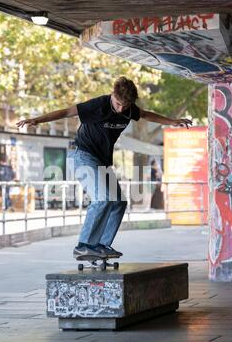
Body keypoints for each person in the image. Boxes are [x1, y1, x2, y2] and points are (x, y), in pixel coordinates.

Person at [16, 77, 192, 258]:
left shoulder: (129, 109)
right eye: (117, 104)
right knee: (103, 199)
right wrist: (37, 120)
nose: (120, 109)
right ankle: (84, 244)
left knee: (118, 202)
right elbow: (68, 111)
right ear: (112, 94)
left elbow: (146, 115)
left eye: (125, 106)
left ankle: (101, 245)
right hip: (83, 155)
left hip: (102, 161)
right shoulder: (98, 105)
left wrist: (172, 122)